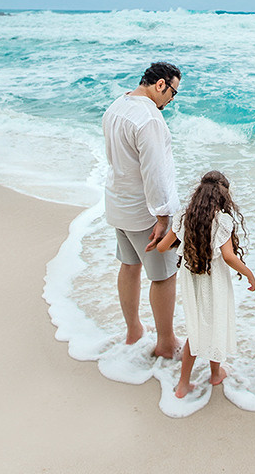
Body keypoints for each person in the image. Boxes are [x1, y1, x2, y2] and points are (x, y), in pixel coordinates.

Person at [102, 61, 183, 358]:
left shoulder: (117, 106)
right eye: (173, 93)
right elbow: (154, 172)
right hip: (143, 211)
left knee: (129, 265)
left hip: (118, 202)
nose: (171, 100)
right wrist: (163, 216)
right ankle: (166, 343)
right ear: (161, 84)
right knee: (164, 275)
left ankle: (133, 330)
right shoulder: (149, 118)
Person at [156, 171, 255, 398]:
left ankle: (183, 384)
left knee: (196, 329)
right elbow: (228, 256)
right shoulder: (222, 220)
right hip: (215, 281)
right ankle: (215, 373)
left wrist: (182, 243)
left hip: (191, 280)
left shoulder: (185, 217)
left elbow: (162, 247)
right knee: (216, 324)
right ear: (223, 196)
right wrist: (249, 274)